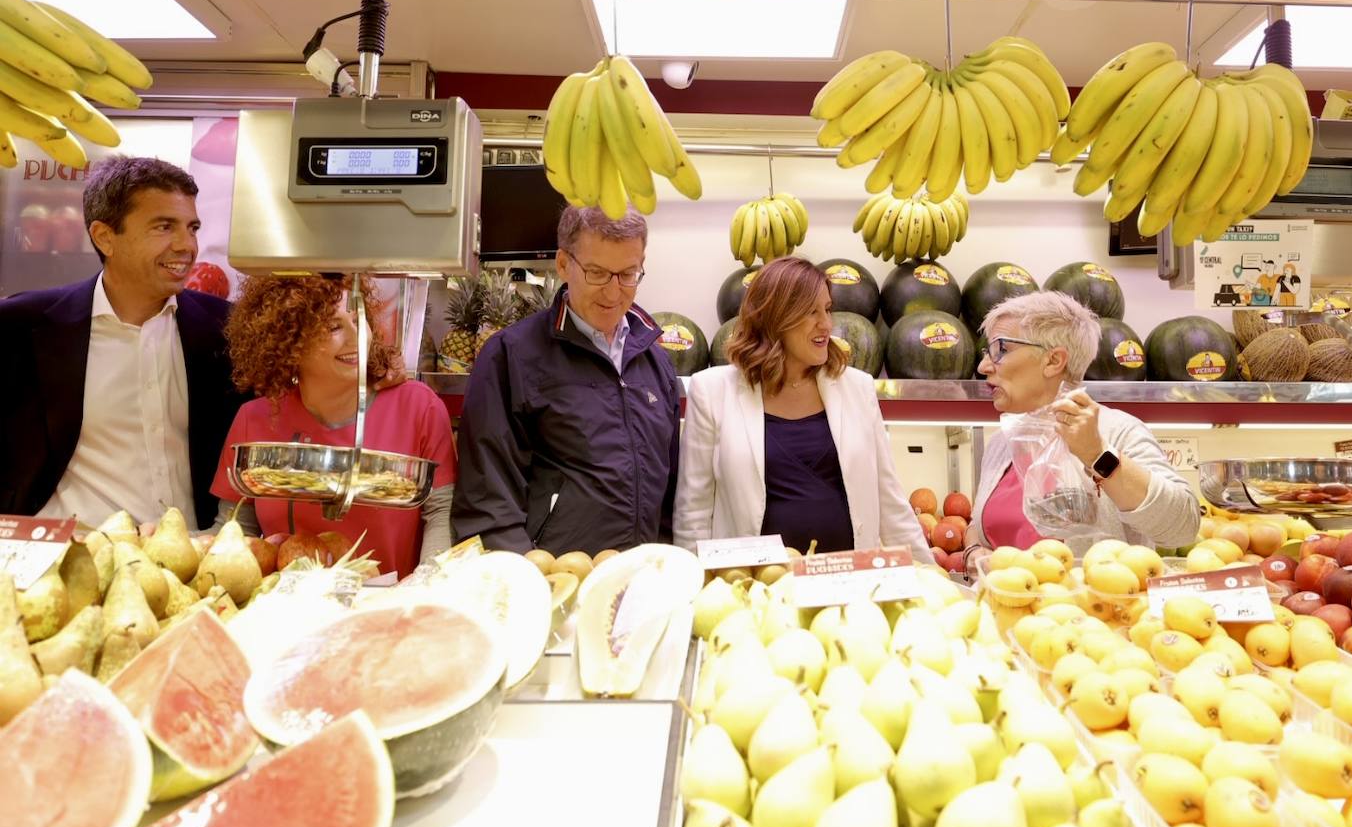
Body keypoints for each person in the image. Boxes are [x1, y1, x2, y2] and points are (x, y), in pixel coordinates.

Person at [0, 156, 243, 529]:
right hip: (61, 558)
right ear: (104, 236)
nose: (186, 245)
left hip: (187, 563)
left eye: (191, 227)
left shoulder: (225, 329)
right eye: (164, 227)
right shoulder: (21, 326)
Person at [449, 206, 680, 554]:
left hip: (637, 582)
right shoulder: (510, 355)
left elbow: (668, 493)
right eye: (597, 273)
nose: (614, 292)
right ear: (562, 264)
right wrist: (526, 583)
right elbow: (487, 502)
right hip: (549, 580)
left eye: (628, 273)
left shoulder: (656, 361)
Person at [675, 257, 930, 560]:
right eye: (811, 312)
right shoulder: (713, 392)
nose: (827, 324)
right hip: (755, 592)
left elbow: (891, 504)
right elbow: (694, 513)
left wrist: (931, 579)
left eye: (827, 309)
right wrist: (697, 594)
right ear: (775, 317)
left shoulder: (857, 388)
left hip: (849, 586)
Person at [210, 275, 455, 578]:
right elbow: (234, 530)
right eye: (334, 326)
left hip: (391, 608)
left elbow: (442, 512)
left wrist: (427, 586)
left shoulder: (419, 407)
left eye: (358, 319)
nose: (356, 338)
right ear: (289, 341)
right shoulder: (254, 418)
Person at [965, 291, 1198, 557]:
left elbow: (1182, 527)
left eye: (1000, 350)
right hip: (1010, 596)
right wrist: (973, 551)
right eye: (987, 352)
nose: (984, 366)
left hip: (1090, 598)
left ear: (1053, 361)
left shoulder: (1118, 431)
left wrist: (1097, 454)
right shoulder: (1002, 441)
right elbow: (979, 523)